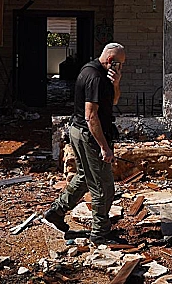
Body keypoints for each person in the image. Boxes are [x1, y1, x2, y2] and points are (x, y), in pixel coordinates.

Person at [43, 43, 125, 244]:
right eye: (120, 64)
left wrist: (116, 84)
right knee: (103, 185)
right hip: (89, 134)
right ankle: (100, 232)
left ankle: (56, 211)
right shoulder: (94, 77)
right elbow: (91, 116)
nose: (121, 68)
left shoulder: (101, 73)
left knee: (83, 176)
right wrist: (104, 147)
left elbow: (113, 102)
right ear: (110, 61)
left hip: (79, 131)